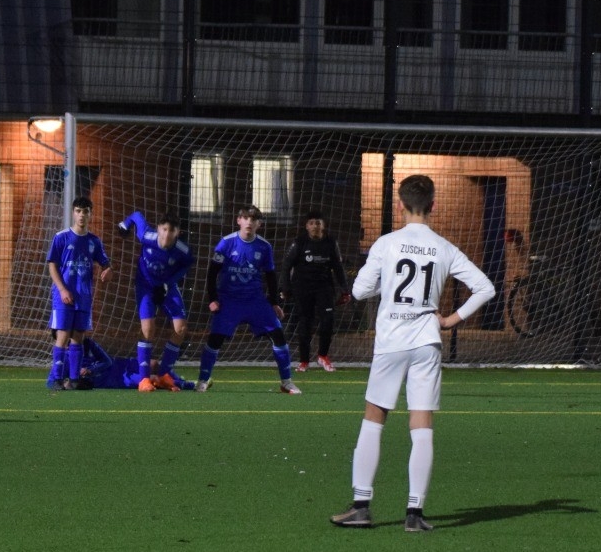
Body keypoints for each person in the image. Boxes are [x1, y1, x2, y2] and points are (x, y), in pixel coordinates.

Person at [330, 175, 495, 533]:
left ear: (400, 205)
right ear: (433, 205)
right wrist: (450, 320)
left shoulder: (387, 244)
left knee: (374, 419)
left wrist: (385, 284)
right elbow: (485, 288)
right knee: (421, 426)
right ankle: (414, 514)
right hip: (426, 343)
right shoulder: (444, 248)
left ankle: (361, 507)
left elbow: (359, 291)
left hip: (392, 342)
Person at [196, 205, 300, 394]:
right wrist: (213, 299)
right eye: (245, 218)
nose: (249, 222)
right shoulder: (226, 243)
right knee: (215, 339)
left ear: (259, 224)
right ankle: (203, 380)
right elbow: (212, 273)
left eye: (253, 219)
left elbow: (270, 276)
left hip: (255, 301)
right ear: (239, 221)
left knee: (278, 335)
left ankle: (286, 382)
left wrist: (274, 302)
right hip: (229, 301)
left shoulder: (264, 246)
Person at [116, 210, 194, 390]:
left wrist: (168, 283)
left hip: (167, 288)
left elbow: (187, 264)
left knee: (181, 328)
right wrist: (125, 224)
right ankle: (144, 380)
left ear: (178, 232)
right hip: (146, 287)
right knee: (148, 330)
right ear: (158, 228)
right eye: (164, 229)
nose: (167, 234)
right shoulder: (146, 236)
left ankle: (164, 375)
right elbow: (136, 215)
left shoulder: (183, 251)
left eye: (171, 231)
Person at [46, 195, 113, 390]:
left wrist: (108, 270)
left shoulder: (94, 241)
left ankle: (74, 380)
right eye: (78, 211)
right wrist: (62, 289)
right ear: (73, 213)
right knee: (63, 335)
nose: (82, 215)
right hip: (64, 296)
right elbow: (52, 266)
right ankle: (57, 379)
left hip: (83, 297)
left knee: (78, 337)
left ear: (90, 214)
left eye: (85, 212)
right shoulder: (61, 237)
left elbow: (106, 264)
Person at [279, 208, 348, 373]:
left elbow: (338, 267)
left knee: (328, 320)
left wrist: (345, 289)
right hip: (302, 287)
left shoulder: (331, 242)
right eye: (311, 223)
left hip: (324, 287)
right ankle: (304, 361)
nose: (315, 226)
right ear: (307, 226)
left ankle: (323, 356)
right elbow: (287, 265)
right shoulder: (299, 242)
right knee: (305, 322)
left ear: (323, 225)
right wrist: (285, 288)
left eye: (318, 223)